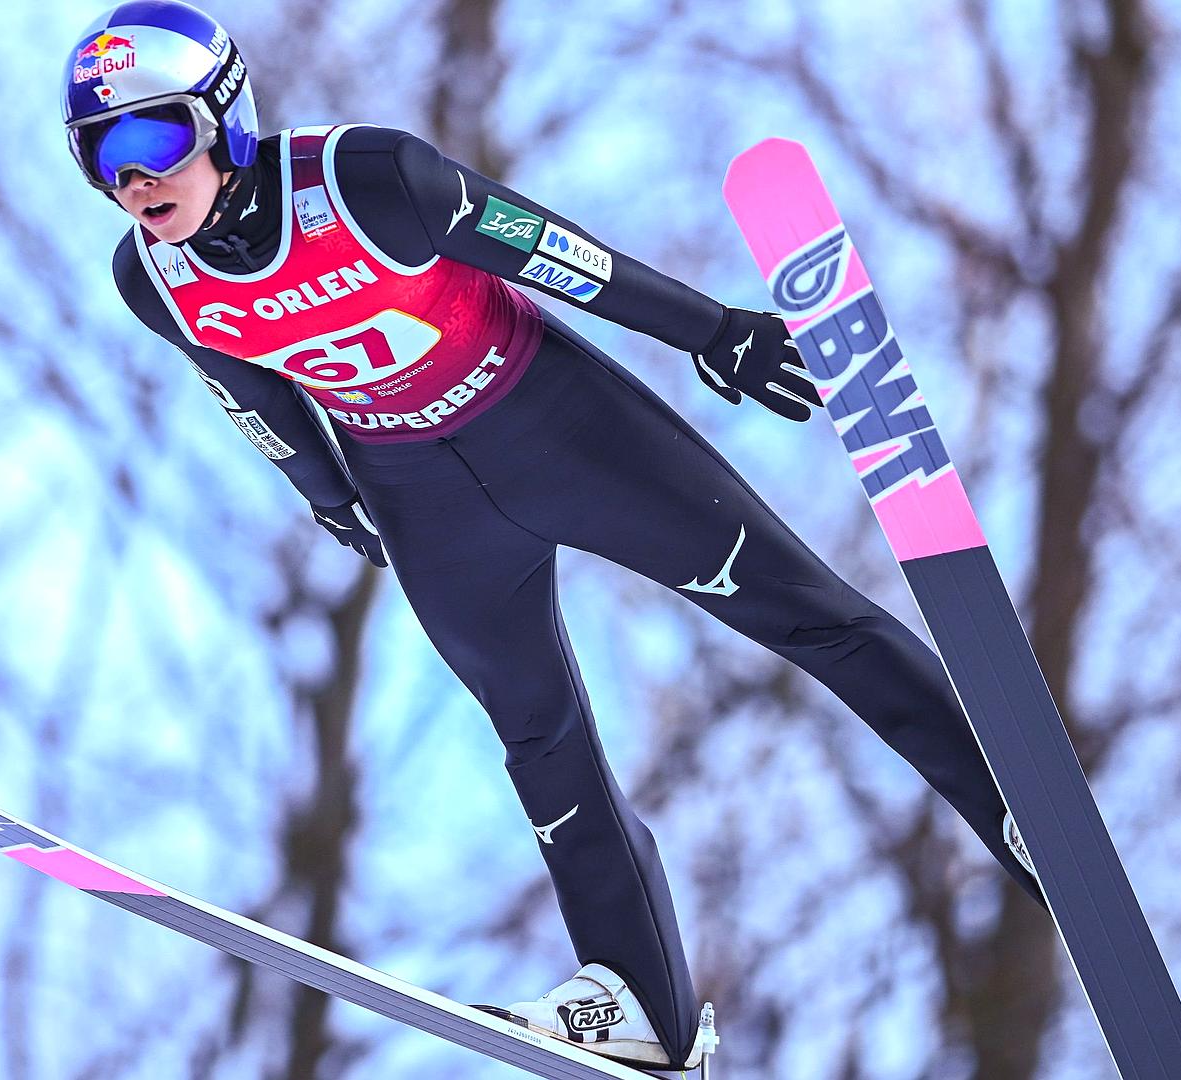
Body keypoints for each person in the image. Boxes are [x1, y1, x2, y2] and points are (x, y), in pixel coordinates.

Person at [64, 2, 1043, 1070]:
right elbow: (248, 391)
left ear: (226, 117)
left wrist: (713, 331)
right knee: (538, 736)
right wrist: (329, 497)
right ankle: (642, 1005)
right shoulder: (154, 280)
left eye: (153, 137)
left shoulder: (367, 180)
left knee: (801, 612)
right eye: (103, 159)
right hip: (425, 501)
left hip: (561, 431)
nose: (136, 180)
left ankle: (1016, 807)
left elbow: (556, 255)